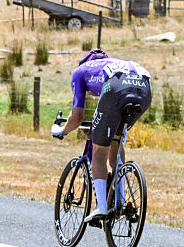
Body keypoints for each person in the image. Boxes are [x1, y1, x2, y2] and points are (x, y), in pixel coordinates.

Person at [51, 49, 151, 222]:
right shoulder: (111, 64)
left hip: (116, 88)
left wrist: (61, 131)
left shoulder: (80, 71)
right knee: (115, 143)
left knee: (99, 153)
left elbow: (77, 118)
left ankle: (102, 207)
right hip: (144, 88)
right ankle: (120, 200)